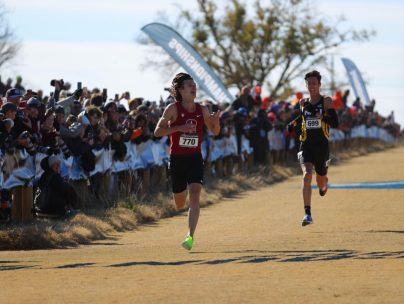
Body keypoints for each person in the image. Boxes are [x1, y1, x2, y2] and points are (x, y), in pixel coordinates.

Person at [154, 72, 220, 250]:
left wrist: (216, 122)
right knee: (180, 203)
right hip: (176, 159)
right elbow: (157, 132)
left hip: (194, 158)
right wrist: (179, 128)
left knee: (196, 194)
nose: (194, 87)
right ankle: (178, 195)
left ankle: (190, 236)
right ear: (180, 90)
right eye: (190, 85)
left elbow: (215, 132)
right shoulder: (172, 109)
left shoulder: (202, 109)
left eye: (194, 84)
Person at [287, 70, 339, 226]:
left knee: (320, 182)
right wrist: (292, 124)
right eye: (309, 83)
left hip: (322, 147)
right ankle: (307, 214)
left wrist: (322, 117)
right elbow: (302, 118)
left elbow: (335, 123)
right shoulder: (303, 103)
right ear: (306, 85)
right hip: (306, 145)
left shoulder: (326, 101)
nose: (312, 86)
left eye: (314, 83)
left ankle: (325, 183)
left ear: (319, 85)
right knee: (306, 176)